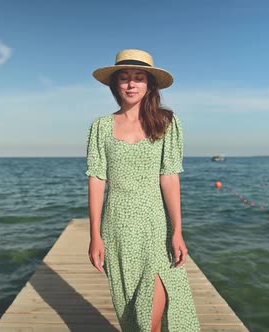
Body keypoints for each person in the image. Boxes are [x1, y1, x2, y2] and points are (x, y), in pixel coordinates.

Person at [86, 49, 201, 332]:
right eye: (124, 78)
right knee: (131, 309)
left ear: (149, 84)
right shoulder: (101, 127)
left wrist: (177, 230)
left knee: (153, 313)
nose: (131, 84)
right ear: (115, 85)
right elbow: (97, 180)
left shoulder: (167, 123)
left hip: (155, 226)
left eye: (138, 78)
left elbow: (170, 177)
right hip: (118, 227)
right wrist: (95, 235)